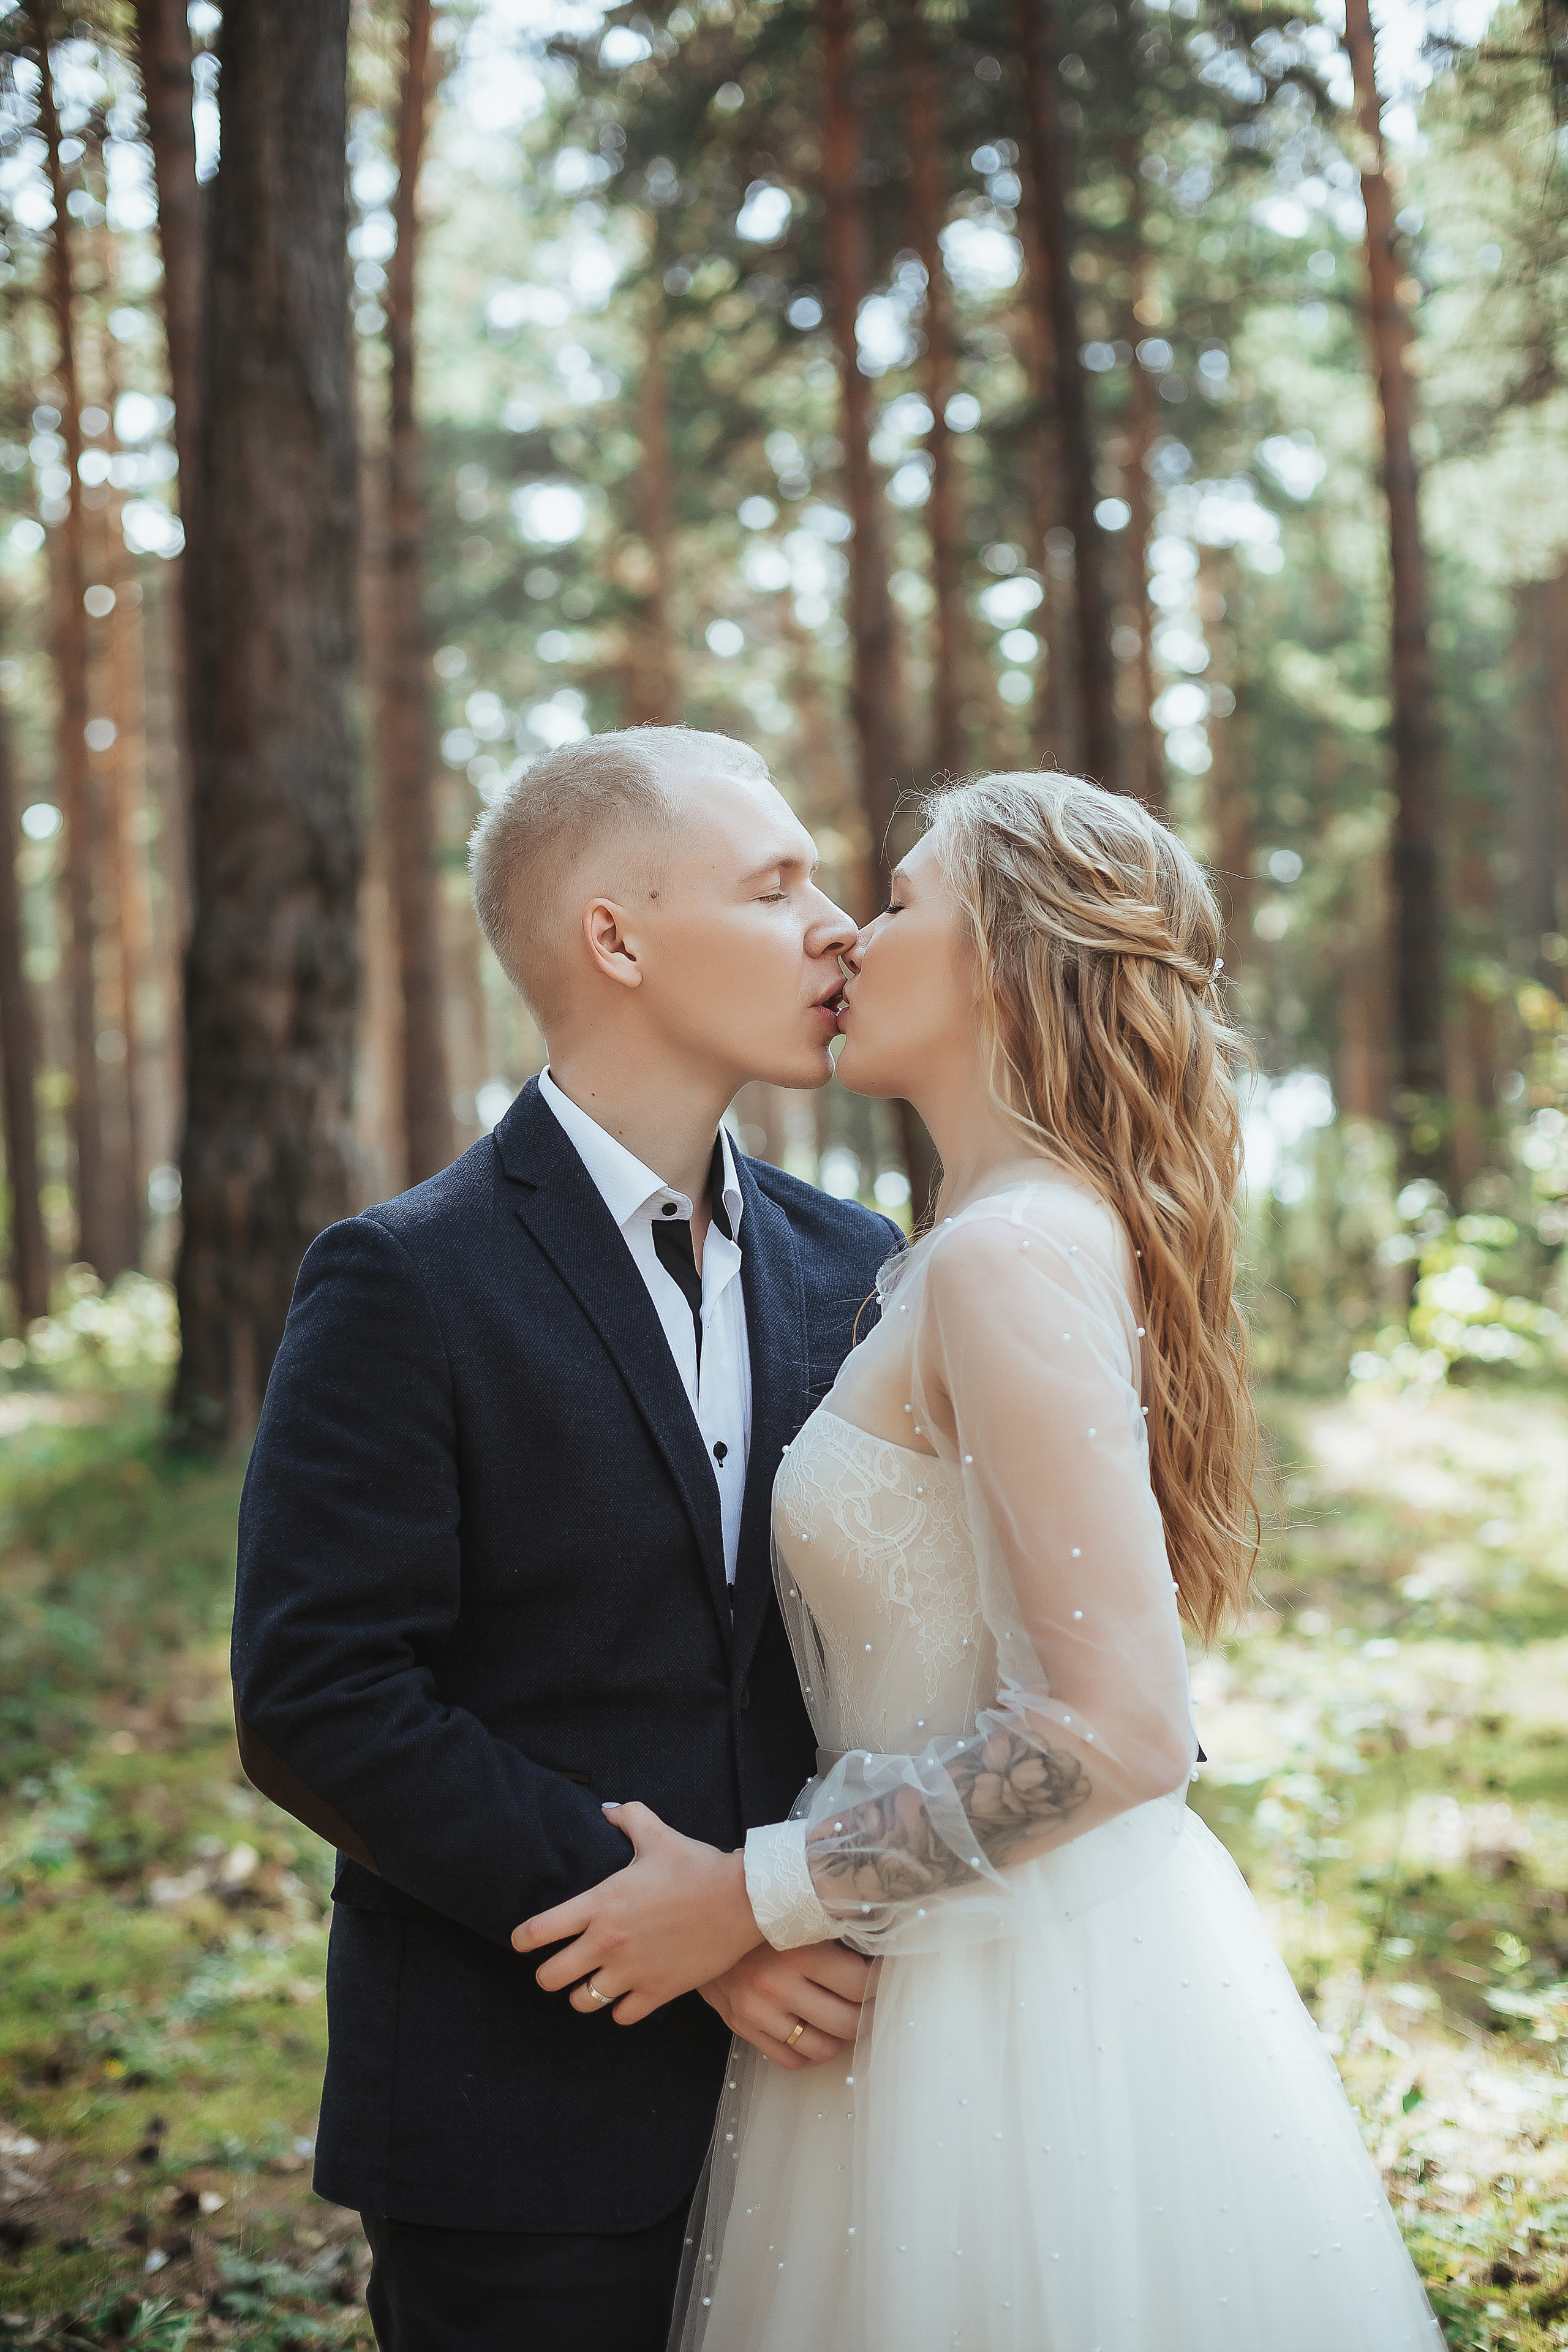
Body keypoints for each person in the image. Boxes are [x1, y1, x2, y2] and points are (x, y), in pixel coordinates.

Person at [517, 771, 1444, 2352]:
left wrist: (759, 1892)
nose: (850, 939)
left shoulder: (1012, 1253)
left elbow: (1126, 1731)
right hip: (934, 1956)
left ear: (1006, 959)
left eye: (895, 902)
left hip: (1015, 1999)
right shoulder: (959, 1249)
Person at [230, 726, 902, 2352]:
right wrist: (668, 1917)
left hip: (847, 2092)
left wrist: (770, 1906)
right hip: (517, 2107)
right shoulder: (404, 1280)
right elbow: (321, 1697)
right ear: (617, 936)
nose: (841, 926)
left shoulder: (863, 1262)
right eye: (778, 884)